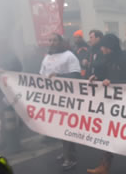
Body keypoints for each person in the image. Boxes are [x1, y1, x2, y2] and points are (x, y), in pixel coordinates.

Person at [86, 34, 126, 174]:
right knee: (108, 133)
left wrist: (115, 81)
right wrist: (97, 78)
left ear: (110, 47)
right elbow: (104, 76)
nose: (102, 49)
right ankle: (105, 165)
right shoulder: (105, 60)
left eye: (104, 46)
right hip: (111, 104)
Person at [39, 33, 81, 170]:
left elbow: (76, 75)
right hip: (52, 99)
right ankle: (65, 153)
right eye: (50, 40)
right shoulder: (47, 57)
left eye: (54, 40)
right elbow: (41, 74)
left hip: (67, 98)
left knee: (67, 128)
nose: (51, 42)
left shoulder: (69, 55)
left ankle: (71, 158)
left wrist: (59, 76)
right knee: (59, 128)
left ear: (60, 42)